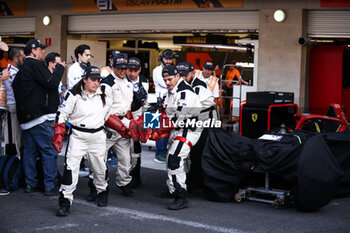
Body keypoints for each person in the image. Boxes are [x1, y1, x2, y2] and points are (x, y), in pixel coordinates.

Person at [53, 66, 111, 216]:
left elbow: (108, 114)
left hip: (97, 136)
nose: (96, 83)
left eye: (98, 80)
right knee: (70, 169)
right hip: (78, 136)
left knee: (99, 168)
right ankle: (65, 201)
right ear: (84, 79)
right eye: (92, 79)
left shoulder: (104, 93)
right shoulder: (73, 94)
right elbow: (62, 113)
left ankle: (102, 192)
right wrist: (58, 133)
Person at [12, 39, 66, 196]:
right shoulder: (34, 65)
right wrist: (60, 68)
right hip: (40, 118)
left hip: (27, 119)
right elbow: (51, 82)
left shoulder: (24, 68)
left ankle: (30, 184)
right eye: (41, 49)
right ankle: (50, 186)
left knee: (29, 152)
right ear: (33, 51)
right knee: (48, 151)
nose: (43, 52)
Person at [160, 65, 202, 210]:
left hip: (188, 129)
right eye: (165, 80)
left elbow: (177, 118)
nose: (167, 83)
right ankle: (173, 189)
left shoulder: (185, 92)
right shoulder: (172, 91)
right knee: (170, 160)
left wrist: (154, 127)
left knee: (174, 159)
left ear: (178, 76)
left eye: (169, 79)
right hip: (178, 129)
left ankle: (181, 196)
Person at [98, 54, 139, 197]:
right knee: (99, 159)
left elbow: (127, 108)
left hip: (123, 124)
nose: (123, 71)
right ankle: (97, 186)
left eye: (125, 68)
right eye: (120, 68)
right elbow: (105, 111)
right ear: (113, 67)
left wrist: (132, 124)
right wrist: (121, 128)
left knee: (126, 159)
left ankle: (124, 183)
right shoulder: (107, 83)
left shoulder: (128, 82)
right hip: (108, 126)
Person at [177, 62, 216, 191]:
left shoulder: (198, 86)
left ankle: (197, 182)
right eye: (180, 75)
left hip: (205, 124)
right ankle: (190, 180)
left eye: (185, 75)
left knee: (198, 154)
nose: (183, 77)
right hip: (194, 123)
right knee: (191, 153)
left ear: (193, 73)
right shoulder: (185, 85)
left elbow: (195, 107)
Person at [67, 44, 92, 177]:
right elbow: (79, 87)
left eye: (89, 55)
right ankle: (73, 167)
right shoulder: (74, 69)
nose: (88, 58)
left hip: (88, 108)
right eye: (86, 55)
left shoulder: (88, 68)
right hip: (77, 107)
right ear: (79, 55)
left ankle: (82, 165)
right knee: (76, 139)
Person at [127, 57, 149, 188]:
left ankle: (136, 175)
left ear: (140, 70)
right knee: (124, 149)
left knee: (136, 147)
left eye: (135, 70)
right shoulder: (123, 81)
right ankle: (125, 175)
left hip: (138, 117)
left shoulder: (144, 81)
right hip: (125, 116)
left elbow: (146, 102)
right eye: (130, 70)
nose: (132, 73)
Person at [152, 49, 178, 163]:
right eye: (166, 59)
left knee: (170, 128)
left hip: (172, 102)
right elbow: (167, 84)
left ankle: (166, 152)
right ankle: (159, 154)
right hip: (161, 103)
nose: (168, 61)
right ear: (162, 58)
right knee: (161, 129)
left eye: (170, 59)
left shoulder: (173, 70)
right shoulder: (157, 70)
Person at [3, 48, 25, 159]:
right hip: (12, 106)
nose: (24, 60)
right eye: (22, 58)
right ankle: (13, 161)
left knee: (20, 137)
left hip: (19, 106)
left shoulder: (18, 71)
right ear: (16, 58)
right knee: (13, 137)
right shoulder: (9, 72)